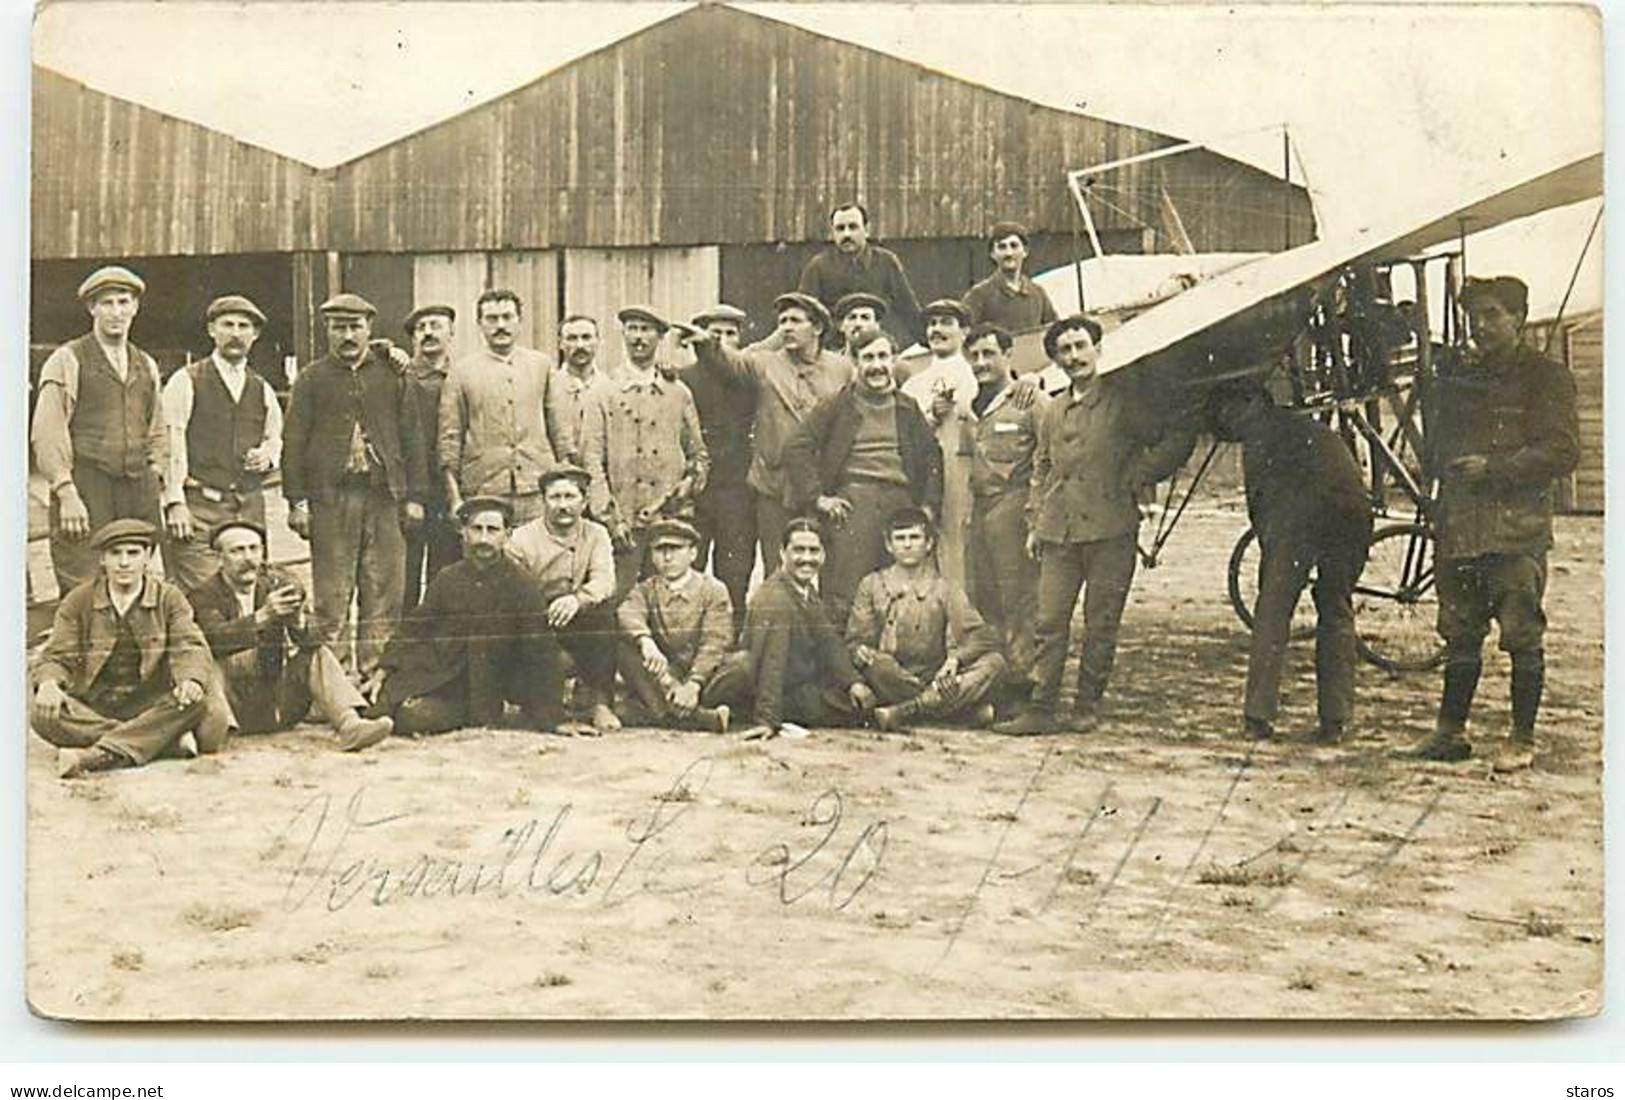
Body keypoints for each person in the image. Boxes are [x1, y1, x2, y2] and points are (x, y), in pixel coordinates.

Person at [996, 314, 1196, 735]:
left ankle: (1087, 705)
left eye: (1080, 346)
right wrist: (1035, 521)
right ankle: (1041, 707)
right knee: (1049, 620)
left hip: (1111, 528)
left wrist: (1138, 474)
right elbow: (1042, 466)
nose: (1074, 356)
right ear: (1056, 359)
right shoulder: (1053, 408)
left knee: (1101, 621)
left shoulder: (1124, 401)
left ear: (1098, 349)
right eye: (1064, 351)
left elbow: (1176, 437)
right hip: (1058, 530)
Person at [1418, 275, 1580, 768]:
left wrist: (1496, 469)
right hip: (1462, 526)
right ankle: (1450, 733)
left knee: (1520, 633)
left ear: (1519, 318)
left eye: (1492, 314)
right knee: (1460, 631)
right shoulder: (1461, 377)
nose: (1480, 326)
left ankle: (1521, 739)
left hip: (1515, 529)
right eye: (1474, 316)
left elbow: (1563, 450)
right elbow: (1438, 445)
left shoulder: (1546, 377)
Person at [1207, 381, 1371, 744]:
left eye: (1230, 412)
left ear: (1253, 402)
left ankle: (1257, 718)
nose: (1228, 422)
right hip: (1354, 515)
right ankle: (1336, 720)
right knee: (1336, 608)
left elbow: (1262, 505)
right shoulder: (1307, 427)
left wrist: (1273, 552)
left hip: (1300, 519)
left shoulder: (1259, 439)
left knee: (1272, 612)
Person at [282, 292, 430, 685]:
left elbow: (413, 439)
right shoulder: (312, 378)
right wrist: (296, 501)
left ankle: (373, 678)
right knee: (332, 594)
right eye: (338, 327)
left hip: (385, 498)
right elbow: (293, 440)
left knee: (383, 591)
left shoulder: (393, 375)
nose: (347, 335)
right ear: (327, 330)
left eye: (355, 326)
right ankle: (334, 684)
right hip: (331, 499)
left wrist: (415, 497)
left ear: (370, 329)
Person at [29, 519, 219, 778]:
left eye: (133, 553)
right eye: (115, 554)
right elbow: (57, 654)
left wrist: (190, 679)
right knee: (43, 715)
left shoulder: (169, 597)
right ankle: (163, 743)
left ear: (148, 558)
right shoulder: (79, 600)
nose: (124, 563)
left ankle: (93, 756)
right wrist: (49, 682)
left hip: (150, 702)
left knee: (195, 703)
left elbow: (189, 644)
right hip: (96, 703)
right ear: (102, 560)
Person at [782, 325, 943, 628]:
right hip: (853, 505)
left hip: (900, 504)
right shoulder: (837, 405)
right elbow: (796, 447)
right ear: (855, 363)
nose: (877, 366)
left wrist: (928, 508)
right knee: (847, 592)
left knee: (898, 589)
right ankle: (843, 668)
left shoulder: (908, 408)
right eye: (868, 358)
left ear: (894, 360)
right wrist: (819, 498)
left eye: (883, 356)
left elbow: (931, 458)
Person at [187, 519, 393, 751]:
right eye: (237, 551)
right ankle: (213, 732)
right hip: (230, 700)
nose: (248, 558)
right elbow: (214, 640)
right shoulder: (202, 596)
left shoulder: (276, 583)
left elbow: (315, 640)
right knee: (208, 662)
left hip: (274, 700)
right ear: (219, 559)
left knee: (318, 654)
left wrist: (298, 622)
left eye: (254, 549)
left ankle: (350, 724)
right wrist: (263, 616)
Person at [685, 292, 852, 562]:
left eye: (795, 320)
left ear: (818, 328)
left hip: (824, 485)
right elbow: (732, 361)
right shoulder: (765, 362)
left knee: (828, 564)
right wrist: (707, 342)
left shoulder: (842, 368)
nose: (786, 327)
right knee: (777, 565)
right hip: (774, 486)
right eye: (782, 321)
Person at [376, 497, 563, 736]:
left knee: (413, 716)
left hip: (487, 688)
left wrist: (552, 718)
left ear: (507, 534)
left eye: (492, 530)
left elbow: (541, 649)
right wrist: (385, 668)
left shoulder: (522, 584)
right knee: (383, 699)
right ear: (463, 532)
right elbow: (415, 628)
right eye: (477, 529)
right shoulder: (448, 578)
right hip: (444, 676)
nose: (484, 539)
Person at [31, 266, 166, 595]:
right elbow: (47, 433)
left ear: (135, 307)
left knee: (135, 582)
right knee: (84, 583)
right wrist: (66, 492)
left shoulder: (145, 363)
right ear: (92, 308)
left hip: (136, 487)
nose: (116, 312)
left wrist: (155, 475)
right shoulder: (67, 359)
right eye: (107, 303)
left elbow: (158, 428)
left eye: (123, 302)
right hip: (87, 485)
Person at [581, 305, 710, 597]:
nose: (638, 338)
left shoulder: (678, 393)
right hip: (622, 523)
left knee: (667, 596)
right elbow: (591, 460)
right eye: (632, 329)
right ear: (623, 335)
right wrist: (610, 518)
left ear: (660, 336)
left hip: (668, 519)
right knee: (619, 597)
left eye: (647, 330)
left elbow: (699, 455)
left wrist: (687, 487)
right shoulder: (603, 392)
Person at [159, 295, 285, 593]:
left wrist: (267, 456)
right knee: (202, 592)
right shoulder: (186, 380)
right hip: (201, 507)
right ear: (212, 330)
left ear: (254, 336)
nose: (235, 333)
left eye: (244, 326)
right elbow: (170, 443)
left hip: (248, 508)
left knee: (249, 590)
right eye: (227, 324)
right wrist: (175, 503)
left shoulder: (261, 387)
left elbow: (276, 437)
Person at [846, 508, 1007, 731]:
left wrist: (955, 660)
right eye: (900, 539)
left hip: (937, 677)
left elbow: (981, 636)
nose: (908, 545)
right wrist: (860, 651)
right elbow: (856, 639)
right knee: (878, 665)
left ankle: (907, 711)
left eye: (915, 537)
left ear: (929, 544)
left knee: (995, 663)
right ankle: (958, 713)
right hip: (893, 676)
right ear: (889, 545)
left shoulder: (945, 587)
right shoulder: (872, 584)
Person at [721, 518, 873, 740]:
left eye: (814, 551)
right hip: (777, 691)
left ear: (823, 555)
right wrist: (767, 720)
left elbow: (828, 641)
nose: (806, 559)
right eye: (798, 551)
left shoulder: (805, 590)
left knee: (863, 688)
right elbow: (772, 660)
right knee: (857, 707)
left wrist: (853, 682)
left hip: (800, 682)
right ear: (782, 553)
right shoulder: (776, 598)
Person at [508, 463, 623, 735]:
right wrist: (542, 610)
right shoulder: (522, 538)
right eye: (555, 497)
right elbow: (514, 591)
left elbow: (605, 580)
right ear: (543, 501)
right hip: (534, 616)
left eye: (570, 497)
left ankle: (600, 703)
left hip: (575, 613)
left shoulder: (597, 534)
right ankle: (543, 707)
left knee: (604, 617)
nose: (563, 505)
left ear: (584, 501)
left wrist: (577, 600)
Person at [963, 323, 1043, 684]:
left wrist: (1035, 516)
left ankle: (1024, 681)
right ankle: (995, 679)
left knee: (1019, 599)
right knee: (985, 597)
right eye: (974, 355)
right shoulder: (967, 403)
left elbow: (1049, 457)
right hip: (978, 510)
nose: (981, 363)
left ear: (1008, 355)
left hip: (1014, 508)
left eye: (989, 354)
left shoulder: (1030, 400)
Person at [439, 288, 556, 527]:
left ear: (519, 321)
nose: (500, 325)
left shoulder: (541, 366)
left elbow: (559, 432)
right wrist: (454, 498)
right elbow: (449, 440)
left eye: (507, 317)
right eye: (492, 319)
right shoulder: (461, 372)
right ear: (479, 324)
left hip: (535, 489)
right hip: (484, 490)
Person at [678, 304, 757, 632]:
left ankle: (733, 637)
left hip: (736, 488)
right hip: (694, 488)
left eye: (729, 334)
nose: (722, 341)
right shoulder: (682, 379)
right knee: (686, 567)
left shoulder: (749, 380)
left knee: (735, 571)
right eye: (715, 334)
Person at [615, 518, 736, 731]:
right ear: (652, 556)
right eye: (660, 550)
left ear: (692, 554)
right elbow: (627, 611)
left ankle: (662, 711)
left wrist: (694, 684)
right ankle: (696, 718)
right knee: (624, 648)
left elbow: (715, 641)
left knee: (743, 665)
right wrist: (645, 641)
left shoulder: (713, 589)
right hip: (663, 676)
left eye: (676, 549)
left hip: (705, 677)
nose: (667, 558)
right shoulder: (646, 589)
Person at [899, 298, 980, 588]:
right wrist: (930, 417)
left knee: (964, 545)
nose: (937, 329)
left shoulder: (976, 372)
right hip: (928, 473)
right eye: (932, 323)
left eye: (946, 322)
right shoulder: (914, 383)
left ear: (965, 331)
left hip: (966, 469)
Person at [401, 304, 462, 609]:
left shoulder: (463, 376)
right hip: (412, 488)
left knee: (446, 570)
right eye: (420, 327)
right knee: (405, 575)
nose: (428, 332)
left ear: (451, 333)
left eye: (435, 325)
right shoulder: (401, 376)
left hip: (450, 488)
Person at [798, 202, 924, 348]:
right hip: (833, 350)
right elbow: (803, 317)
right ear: (832, 233)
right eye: (840, 229)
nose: (846, 234)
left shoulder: (886, 262)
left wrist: (931, 344)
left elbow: (909, 310)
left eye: (853, 227)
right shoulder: (818, 266)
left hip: (876, 348)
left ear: (866, 230)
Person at [962, 221, 1059, 333]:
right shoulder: (979, 294)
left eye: (1014, 246)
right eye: (1002, 247)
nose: (1009, 253)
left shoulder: (1038, 294)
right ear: (993, 254)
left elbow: (1053, 331)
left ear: (1025, 251)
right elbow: (964, 333)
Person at [546, 313, 616, 467]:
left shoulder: (611, 389)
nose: (580, 345)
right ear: (560, 343)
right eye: (571, 338)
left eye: (586, 337)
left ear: (598, 341)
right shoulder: (548, 387)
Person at [832, 292, 888, 358]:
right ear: (841, 326)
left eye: (865, 317)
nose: (858, 324)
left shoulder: (889, 363)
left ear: (877, 325)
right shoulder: (832, 363)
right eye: (852, 317)